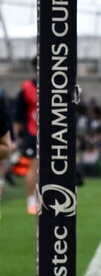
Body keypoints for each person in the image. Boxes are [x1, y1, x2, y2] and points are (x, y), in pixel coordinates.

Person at [15, 70, 38, 215]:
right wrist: (16, 138)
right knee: (32, 168)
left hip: (53, 133)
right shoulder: (27, 88)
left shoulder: (55, 86)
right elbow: (18, 114)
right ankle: (31, 202)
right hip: (32, 132)